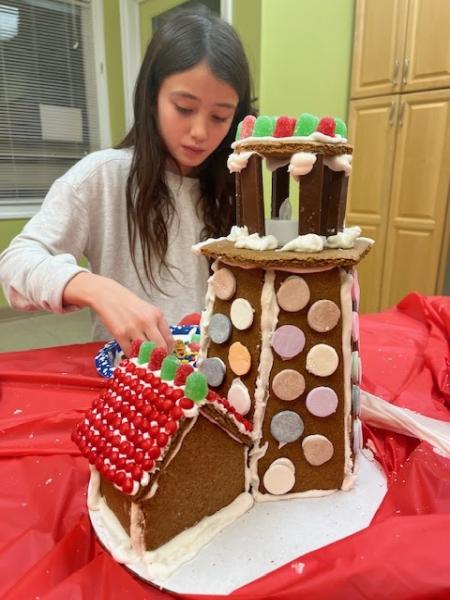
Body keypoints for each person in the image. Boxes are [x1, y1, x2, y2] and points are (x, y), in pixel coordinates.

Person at [0, 9, 252, 356]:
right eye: (183, 108)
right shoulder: (103, 176)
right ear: (151, 99)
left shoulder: (235, 187)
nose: (200, 133)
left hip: (216, 373)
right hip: (127, 379)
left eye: (220, 117)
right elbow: (17, 262)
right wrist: (93, 287)